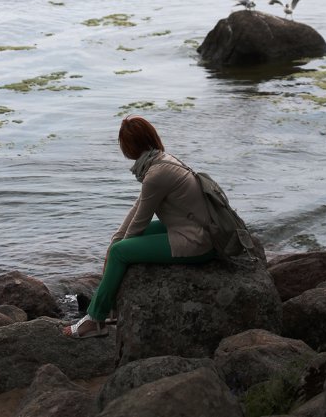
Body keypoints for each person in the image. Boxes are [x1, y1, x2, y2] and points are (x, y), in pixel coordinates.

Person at [63, 115, 215, 338]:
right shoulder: (162, 160)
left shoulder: (157, 174)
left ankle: (95, 320)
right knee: (119, 245)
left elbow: (140, 222)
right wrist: (115, 239)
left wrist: (115, 250)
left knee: (120, 252)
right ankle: (103, 310)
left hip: (197, 241)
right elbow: (140, 205)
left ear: (129, 147)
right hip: (195, 228)